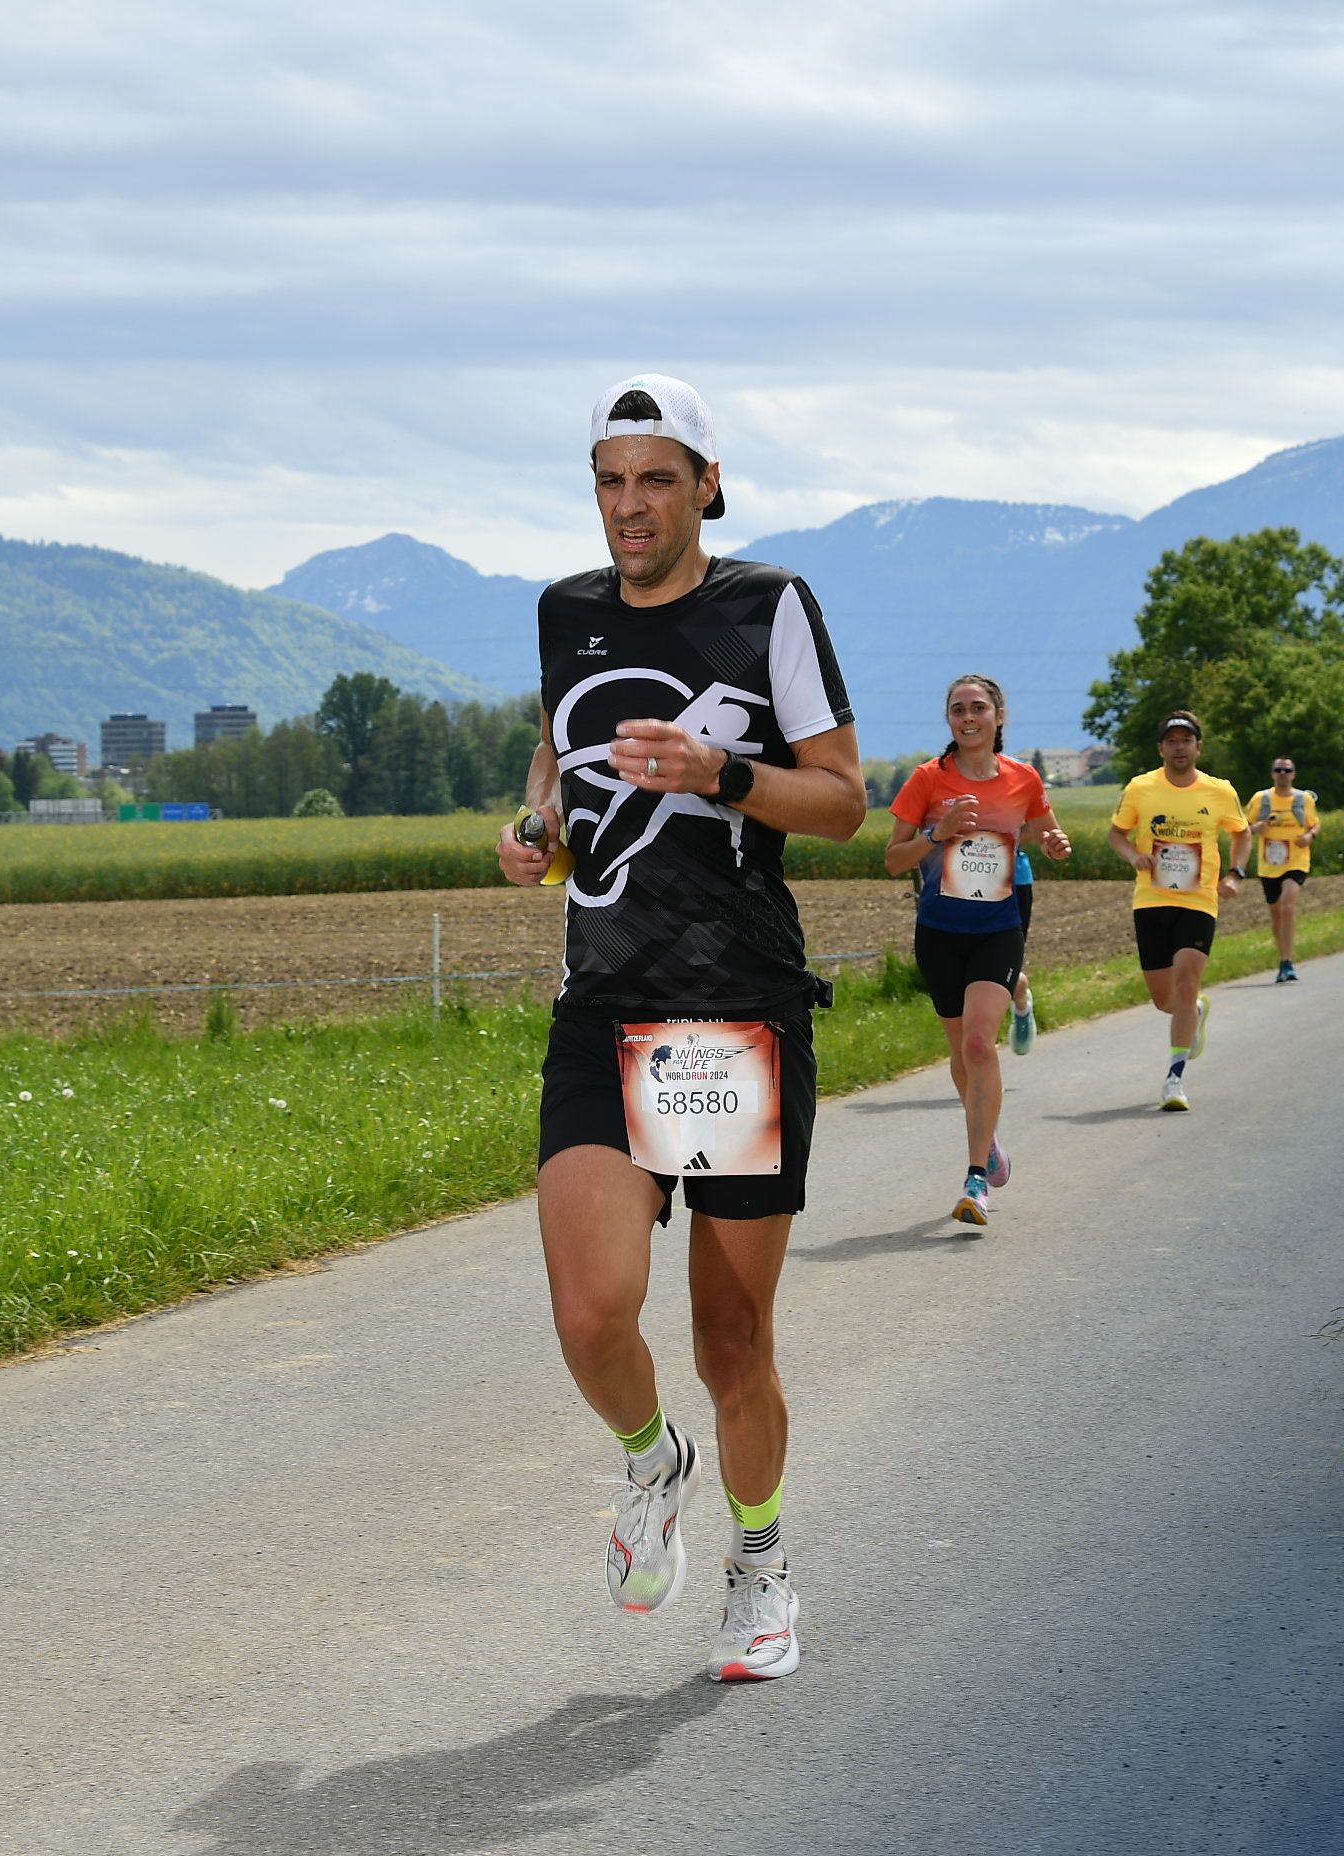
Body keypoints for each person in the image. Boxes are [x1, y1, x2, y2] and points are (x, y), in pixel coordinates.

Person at [499, 373, 863, 1684]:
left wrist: (722, 772)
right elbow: (559, 755)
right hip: (602, 1005)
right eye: (610, 481)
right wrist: (537, 827)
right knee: (592, 1311)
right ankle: (654, 1462)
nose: (630, 505)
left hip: (729, 1016)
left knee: (728, 1336)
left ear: (708, 486)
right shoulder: (566, 612)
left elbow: (844, 799)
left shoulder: (768, 606)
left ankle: (761, 1563)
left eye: (657, 479)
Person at [883, 673, 1072, 1226]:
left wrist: (1055, 844)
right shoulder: (927, 779)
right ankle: (987, 1142)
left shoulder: (1022, 778)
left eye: (978, 708)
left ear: (999, 716)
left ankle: (974, 1180)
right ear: (949, 719)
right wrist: (937, 833)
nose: (968, 717)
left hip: (998, 926)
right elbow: (893, 859)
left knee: (978, 1044)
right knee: (960, 1053)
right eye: (958, 709)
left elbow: (1046, 832)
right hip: (940, 931)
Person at [1108, 712, 1246, 1110]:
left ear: (1198, 747)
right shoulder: (1141, 787)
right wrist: (1133, 856)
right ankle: (1195, 1011)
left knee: (1187, 981)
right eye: (1172, 741)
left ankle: (1175, 1079)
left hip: (1198, 900)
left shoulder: (1219, 791)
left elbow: (1242, 833)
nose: (1179, 747)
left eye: (1186, 740)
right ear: (1161, 749)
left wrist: (1235, 873)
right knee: (1165, 1000)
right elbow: (1116, 834)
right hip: (1151, 900)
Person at [1237, 756, 1317, 982]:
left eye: (1287, 770)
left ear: (1293, 774)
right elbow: (1242, 828)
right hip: (1270, 864)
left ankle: (1288, 962)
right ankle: (1283, 959)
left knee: (1287, 906)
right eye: (1278, 770)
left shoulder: (1303, 799)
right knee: (1276, 912)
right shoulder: (1261, 799)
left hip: (1296, 861)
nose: (1283, 774)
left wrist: (1310, 836)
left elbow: (1315, 824)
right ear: (1272, 774)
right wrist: (1256, 828)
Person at [1009, 845, 1040, 1056]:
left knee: (1005, 969)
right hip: (955, 882)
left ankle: (1021, 1002)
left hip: (1012, 880)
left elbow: (1039, 830)